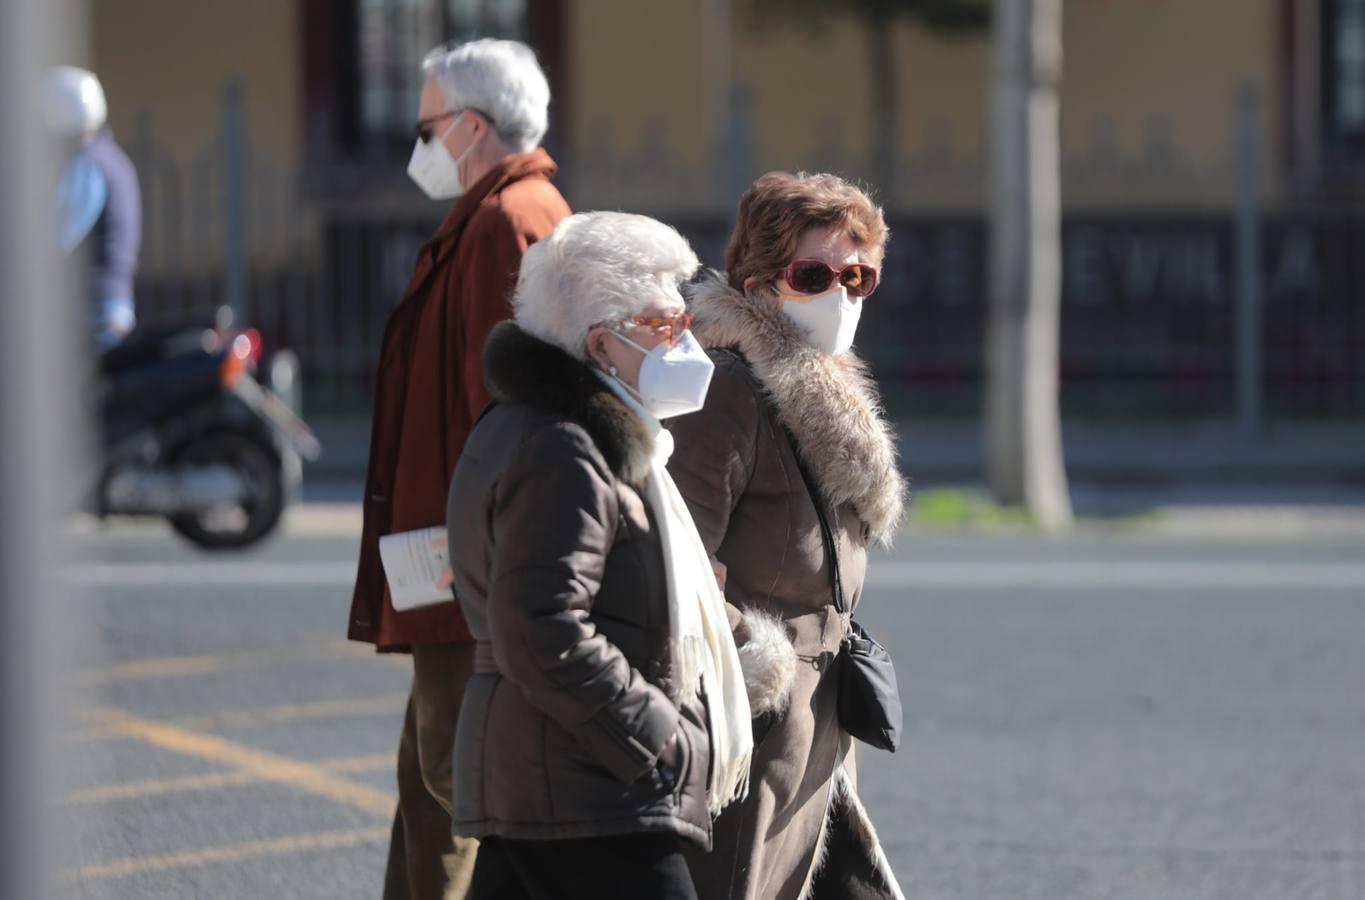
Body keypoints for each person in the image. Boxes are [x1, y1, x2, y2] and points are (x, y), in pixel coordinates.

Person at [444, 211, 754, 900]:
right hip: (585, 789)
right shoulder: (564, 448)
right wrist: (654, 734)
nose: (687, 343)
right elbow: (540, 628)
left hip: (555, 779)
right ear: (601, 345)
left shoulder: (573, 434)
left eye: (685, 321)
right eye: (664, 325)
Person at [345, 39, 570, 900]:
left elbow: (508, 409)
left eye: (429, 126)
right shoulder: (503, 212)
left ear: (472, 127)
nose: (420, 143)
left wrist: (487, 560)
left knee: (454, 782)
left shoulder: (506, 221)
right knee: (431, 784)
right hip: (457, 551)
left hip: (466, 560)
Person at [667, 171, 909, 900]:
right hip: (750, 725)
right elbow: (673, 559)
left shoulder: (820, 388)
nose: (839, 294)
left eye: (857, 276)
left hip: (819, 724)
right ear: (760, 283)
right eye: (813, 274)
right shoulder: (727, 392)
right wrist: (755, 656)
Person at [45, 66, 141, 349]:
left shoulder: (87, 165)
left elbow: (56, 239)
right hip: (112, 308)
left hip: (93, 316)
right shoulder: (113, 158)